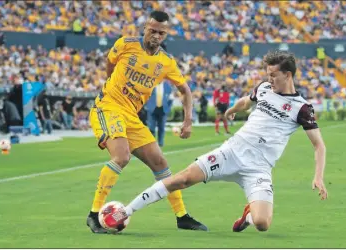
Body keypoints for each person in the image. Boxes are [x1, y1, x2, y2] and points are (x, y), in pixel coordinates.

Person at [102, 50, 328, 232]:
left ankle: (248, 215)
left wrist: (318, 176)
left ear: (288, 75)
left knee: (262, 224)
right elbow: (246, 102)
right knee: (182, 179)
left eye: (273, 75)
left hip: (258, 169)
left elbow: (319, 145)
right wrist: (231, 110)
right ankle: (126, 211)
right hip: (231, 152)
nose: (269, 79)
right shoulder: (264, 88)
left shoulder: (301, 108)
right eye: (267, 74)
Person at [87, 10, 207, 233]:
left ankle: (182, 216)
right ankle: (94, 214)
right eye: (152, 30)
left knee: (160, 162)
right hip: (108, 107)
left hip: (131, 116)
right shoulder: (125, 44)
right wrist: (111, 86)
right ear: (145, 28)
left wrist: (188, 120)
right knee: (121, 156)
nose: (155, 35)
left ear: (166, 34)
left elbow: (185, 90)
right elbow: (110, 64)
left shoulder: (166, 62)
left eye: (161, 33)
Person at [146, 81, 172, 147]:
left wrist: (168, 108)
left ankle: (160, 143)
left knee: (162, 127)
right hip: (152, 109)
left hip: (163, 110)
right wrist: (147, 106)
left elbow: (171, 98)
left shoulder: (167, 86)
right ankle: (152, 143)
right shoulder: (151, 84)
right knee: (151, 127)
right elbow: (145, 95)